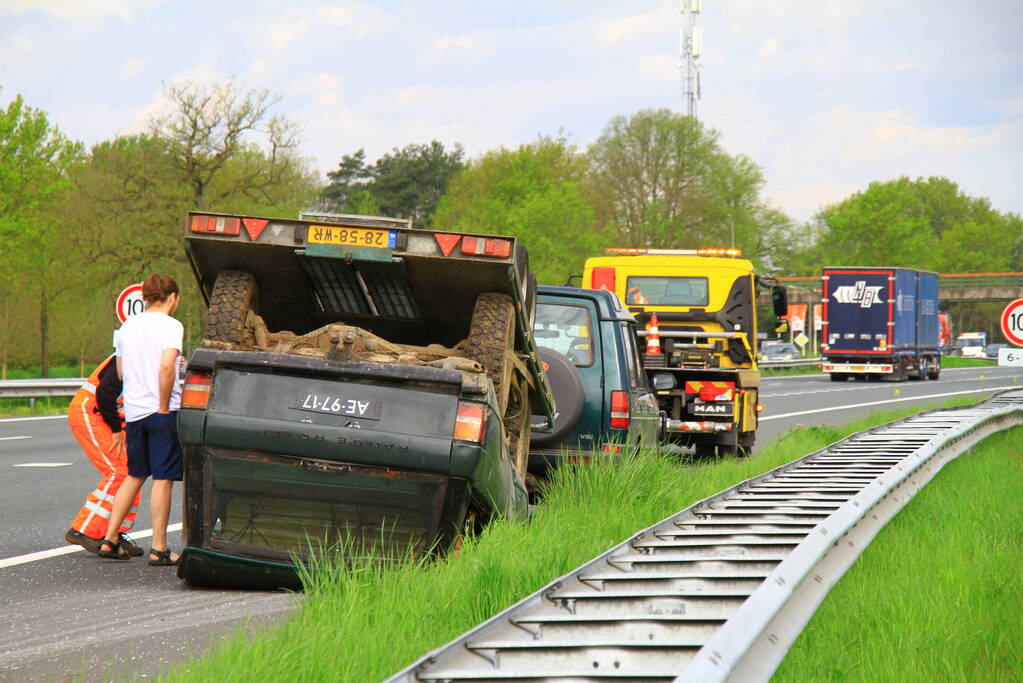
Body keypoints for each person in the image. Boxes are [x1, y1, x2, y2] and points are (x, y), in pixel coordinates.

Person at [97, 273, 184, 566]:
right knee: (163, 478)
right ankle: (159, 547)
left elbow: (120, 373)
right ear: (172, 298)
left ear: (144, 298)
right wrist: (162, 404)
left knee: (135, 474)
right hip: (161, 411)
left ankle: (110, 539)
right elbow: (167, 368)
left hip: (133, 412)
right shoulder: (172, 326)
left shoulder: (126, 327)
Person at [64, 355, 143, 556]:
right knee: (120, 471)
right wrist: (117, 429)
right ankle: (84, 529)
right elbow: (106, 392)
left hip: (106, 416)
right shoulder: (131, 355)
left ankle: (113, 533)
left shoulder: (147, 356)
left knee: (133, 471)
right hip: (92, 413)